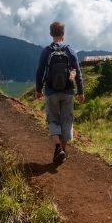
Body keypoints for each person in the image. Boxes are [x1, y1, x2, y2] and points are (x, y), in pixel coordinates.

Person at [36, 21, 85, 164]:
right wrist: (80, 91)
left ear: (51, 34)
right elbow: (78, 72)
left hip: (51, 91)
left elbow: (40, 71)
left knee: (53, 119)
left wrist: (38, 89)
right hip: (68, 91)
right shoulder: (70, 51)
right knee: (66, 121)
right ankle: (63, 150)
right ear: (63, 34)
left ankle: (58, 147)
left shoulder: (47, 51)